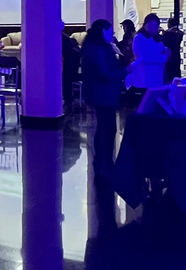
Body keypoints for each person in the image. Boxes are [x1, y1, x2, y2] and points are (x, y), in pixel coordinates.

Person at [80, 19, 128, 166]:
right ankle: (103, 159)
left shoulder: (97, 47)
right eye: (109, 31)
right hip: (103, 93)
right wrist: (125, 72)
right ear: (102, 31)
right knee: (106, 127)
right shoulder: (97, 49)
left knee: (105, 126)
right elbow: (104, 72)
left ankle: (103, 158)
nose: (112, 33)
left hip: (102, 93)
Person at [129, 15, 169, 89]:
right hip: (144, 77)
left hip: (157, 76)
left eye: (156, 26)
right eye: (152, 25)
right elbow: (143, 57)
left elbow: (163, 51)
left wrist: (166, 53)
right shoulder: (139, 38)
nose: (154, 28)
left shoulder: (158, 39)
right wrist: (163, 57)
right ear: (145, 25)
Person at [61, 26, 82, 106]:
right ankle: (69, 99)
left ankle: (68, 99)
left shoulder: (59, 37)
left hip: (71, 58)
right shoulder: (64, 36)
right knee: (68, 79)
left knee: (67, 79)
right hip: (74, 57)